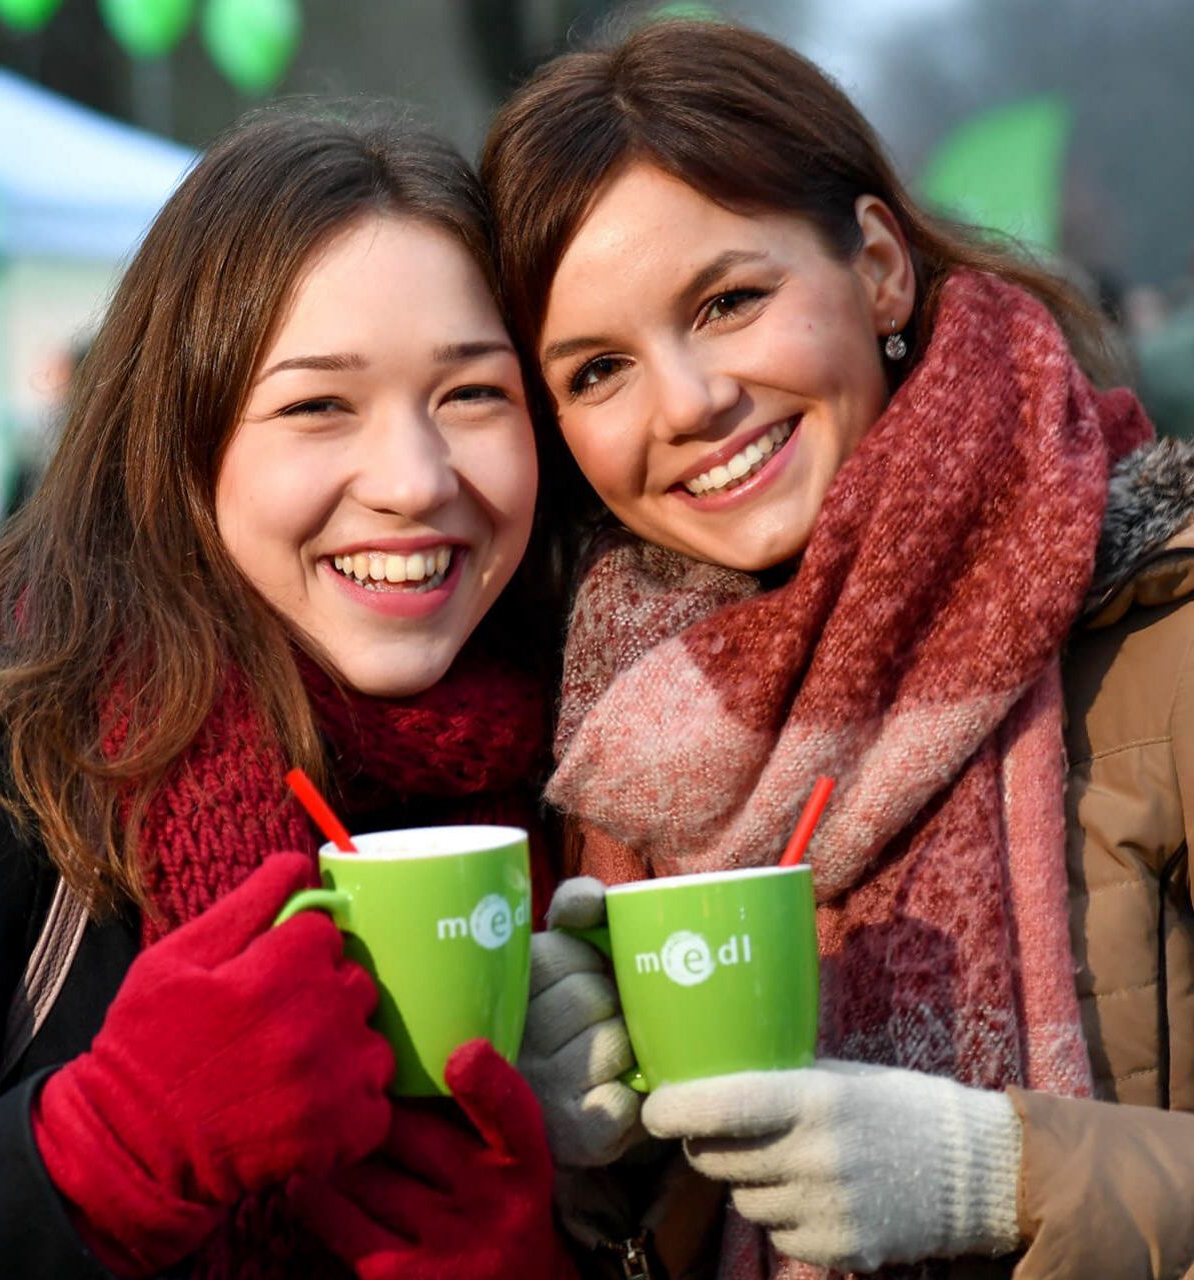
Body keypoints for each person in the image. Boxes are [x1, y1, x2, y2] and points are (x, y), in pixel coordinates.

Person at [481, 18, 1194, 1280]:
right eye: (598, 370)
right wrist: (607, 1166)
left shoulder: (1161, 623)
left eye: (730, 300)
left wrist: (1004, 1172)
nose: (688, 401)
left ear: (875, 265)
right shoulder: (619, 737)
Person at [0, 109, 574, 1279]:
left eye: (473, 393)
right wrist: (89, 1158)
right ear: (183, 438)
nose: (417, 480)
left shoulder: (594, 763)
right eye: (320, 405)